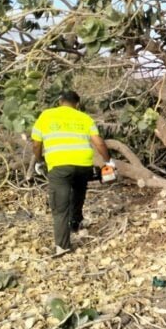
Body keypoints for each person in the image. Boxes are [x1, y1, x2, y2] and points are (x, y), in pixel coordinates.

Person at [31, 90, 114, 256]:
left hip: (59, 167)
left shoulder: (46, 116)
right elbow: (99, 142)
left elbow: (36, 144)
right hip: (83, 165)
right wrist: (108, 162)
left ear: (60, 101)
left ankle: (63, 246)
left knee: (60, 207)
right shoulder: (84, 118)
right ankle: (75, 223)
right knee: (78, 192)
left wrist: (40, 161)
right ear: (77, 104)